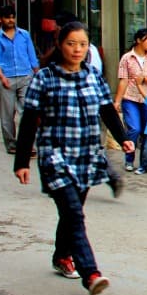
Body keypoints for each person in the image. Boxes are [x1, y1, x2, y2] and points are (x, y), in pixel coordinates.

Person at [13, 21, 134, 295]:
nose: (77, 49)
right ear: (60, 45)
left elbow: (107, 110)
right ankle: (90, 273)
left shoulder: (93, 76)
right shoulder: (44, 79)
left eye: (82, 44)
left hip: (86, 156)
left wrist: (123, 136)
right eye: (71, 44)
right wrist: (21, 162)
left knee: (71, 213)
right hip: (55, 156)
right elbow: (30, 120)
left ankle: (61, 256)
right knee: (74, 214)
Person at [44, 12, 123, 198]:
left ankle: (105, 174)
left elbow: (105, 106)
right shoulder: (48, 73)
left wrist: (123, 137)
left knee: (89, 145)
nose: (77, 49)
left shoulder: (83, 59)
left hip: (82, 114)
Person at [0, 5, 40, 154]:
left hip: (26, 77)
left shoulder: (24, 35)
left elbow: (32, 57)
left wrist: (37, 75)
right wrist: (2, 78)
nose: (11, 20)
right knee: (6, 115)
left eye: (13, 17)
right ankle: (12, 145)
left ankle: (28, 144)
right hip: (6, 78)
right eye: (7, 17)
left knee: (28, 112)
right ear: (1, 19)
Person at [113, 29, 147, 171]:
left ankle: (144, 163)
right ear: (139, 40)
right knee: (134, 129)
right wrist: (117, 101)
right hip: (130, 98)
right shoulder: (127, 58)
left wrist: (144, 79)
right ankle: (129, 160)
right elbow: (123, 81)